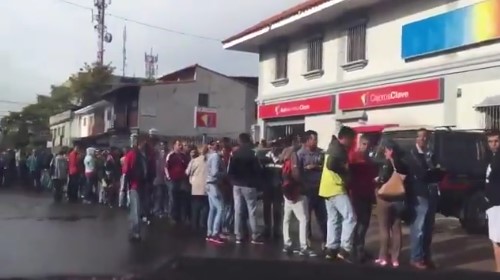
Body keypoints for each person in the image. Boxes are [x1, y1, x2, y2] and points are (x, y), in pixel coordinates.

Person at [320, 126, 357, 262]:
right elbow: (331, 164)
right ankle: (345, 249)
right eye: (352, 139)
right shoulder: (338, 149)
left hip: (326, 188)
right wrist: (345, 169)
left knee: (333, 219)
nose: (353, 142)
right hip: (336, 187)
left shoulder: (332, 146)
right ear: (345, 138)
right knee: (350, 217)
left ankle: (331, 248)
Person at [407, 128, 441, 269]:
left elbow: (434, 171)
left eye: (426, 137)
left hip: (431, 193)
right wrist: (430, 172)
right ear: (416, 138)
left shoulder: (429, 154)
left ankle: (426, 257)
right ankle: (416, 258)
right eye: (421, 137)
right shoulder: (412, 155)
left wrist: (437, 171)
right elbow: (419, 174)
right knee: (418, 228)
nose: (423, 140)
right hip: (419, 194)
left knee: (428, 229)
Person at [374, 140, 408, 267]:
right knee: (396, 228)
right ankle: (395, 258)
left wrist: (377, 180)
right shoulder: (403, 164)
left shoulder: (387, 163)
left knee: (384, 228)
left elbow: (382, 179)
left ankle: (383, 257)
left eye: (386, 150)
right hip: (399, 198)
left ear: (391, 151)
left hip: (385, 198)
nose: (384, 152)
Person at [228, 133, 264, 244]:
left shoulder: (235, 154)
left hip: (237, 185)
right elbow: (258, 170)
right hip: (249, 184)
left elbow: (230, 171)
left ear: (239, 141)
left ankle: (238, 235)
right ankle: (255, 235)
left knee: (238, 210)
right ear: (248, 140)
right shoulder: (253, 154)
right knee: (252, 210)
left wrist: (233, 181)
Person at [348, 135, 377, 262]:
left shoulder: (369, 159)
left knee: (365, 223)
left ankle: (360, 247)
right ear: (359, 144)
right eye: (364, 144)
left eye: (368, 145)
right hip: (357, 194)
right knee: (359, 223)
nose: (366, 147)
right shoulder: (354, 157)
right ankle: (356, 248)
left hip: (368, 194)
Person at [297, 130, 327, 248]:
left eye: (316, 139)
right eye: (314, 139)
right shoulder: (300, 154)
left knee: (322, 217)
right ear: (308, 140)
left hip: (319, 189)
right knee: (306, 217)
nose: (316, 141)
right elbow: (297, 171)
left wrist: (316, 166)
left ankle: (326, 239)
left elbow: (326, 167)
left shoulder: (321, 153)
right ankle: (307, 239)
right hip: (307, 190)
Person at [124, 137, 148, 241]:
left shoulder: (130, 155)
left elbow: (125, 170)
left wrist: (126, 185)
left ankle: (134, 231)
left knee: (134, 209)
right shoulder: (142, 156)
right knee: (137, 208)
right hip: (141, 184)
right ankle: (135, 231)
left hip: (134, 184)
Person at [484, 130, 500, 272]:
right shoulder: (492, 158)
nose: (493, 144)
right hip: (493, 204)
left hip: (497, 205)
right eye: (490, 141)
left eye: (496, 141)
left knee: (497, 241)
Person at [205, 141, 225, 244]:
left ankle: (210, 232)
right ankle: (215, 233)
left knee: (212, 209)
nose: (217, 145)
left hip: (208, 184)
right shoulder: (216, 157)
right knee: (221, 208)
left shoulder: (208, 156)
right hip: (213, 184)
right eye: (216, 144)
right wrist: (224, 173)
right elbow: (215, 173)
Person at [165, 140, 189, 224]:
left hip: (182, 179)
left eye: (181, 145)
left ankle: (180, 216)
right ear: (174, 145)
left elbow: (187, 167)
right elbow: (166, 167)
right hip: (173, 180)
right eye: (179, 145)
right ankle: (172, 215)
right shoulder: (171, 155)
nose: (180, 146)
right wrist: (169, 177)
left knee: (181, 198)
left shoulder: (184, 156)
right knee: (172, 198)